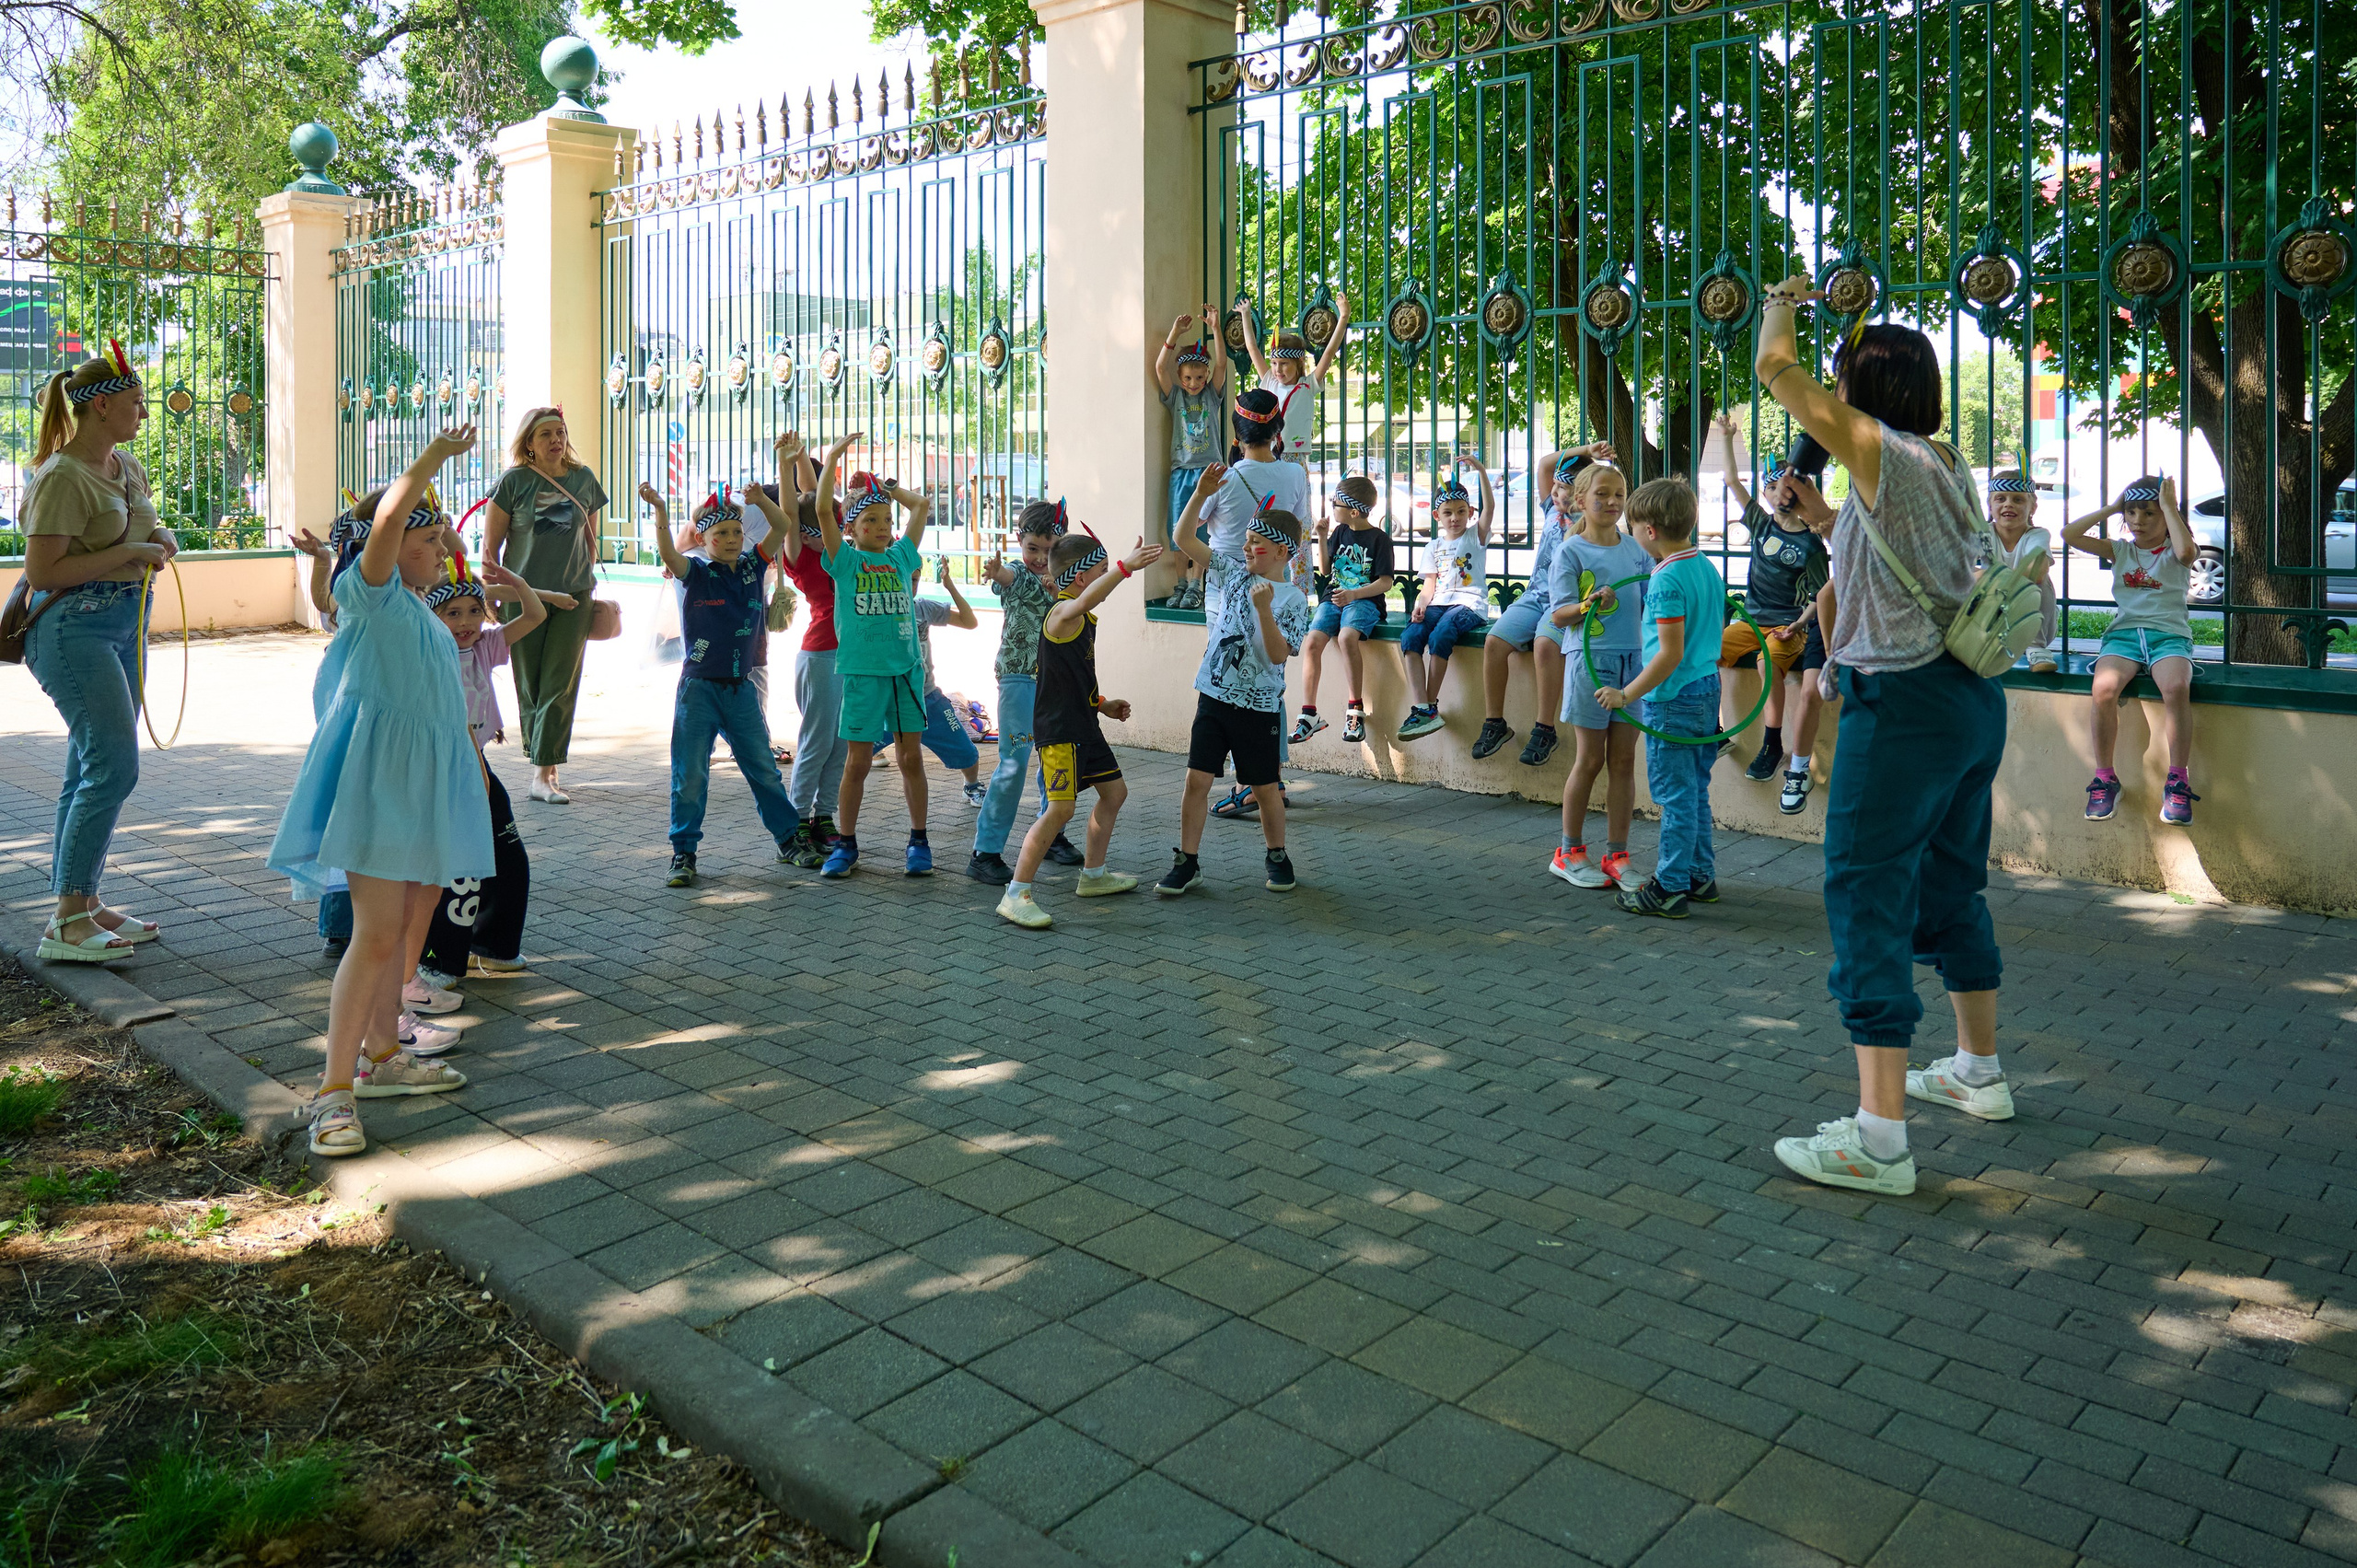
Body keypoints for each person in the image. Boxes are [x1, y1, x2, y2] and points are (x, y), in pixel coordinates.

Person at [1755, 282, 2011, 1199]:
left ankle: (1878, 1137)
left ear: (1861, 389)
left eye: (1840, 379)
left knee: (1866, 895)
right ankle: (1976, 1070)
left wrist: (1779, 303)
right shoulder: (1935, 458)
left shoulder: (1872, 446)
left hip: (1899, 708)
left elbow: (1772, 366)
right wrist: (1815, 520)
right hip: (1968, 701)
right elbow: (1895, 553)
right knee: (1948, 881)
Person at [269, 427, 488, 1157]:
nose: (441, 541)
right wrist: (429, 464)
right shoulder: (375, 596)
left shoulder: (424, 614)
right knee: (374, 934)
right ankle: (333, 1090)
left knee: (406, 925)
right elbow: (390, 522)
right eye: (431, 530)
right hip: (380, 789)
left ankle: (384, 1053)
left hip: (425, 788)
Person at [20, 344, 175, 963]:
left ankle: (81, 901)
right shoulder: (62, 475)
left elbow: (147, 526)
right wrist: (130, 554)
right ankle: (65, 923)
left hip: (123, 623)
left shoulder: (124, 463)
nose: (143, 411)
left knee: (88, 765)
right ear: (102, 405)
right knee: (113, 764)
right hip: (73, 630)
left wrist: (157, 538)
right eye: (135, 402)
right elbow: (43, 570)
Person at [996, 533, 1165, 929]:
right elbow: (1088, 599)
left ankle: (1092, 876)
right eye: (1101, 571)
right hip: (1060, 734)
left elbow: (1071, 676)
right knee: (1060, 810)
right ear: (1080, 577)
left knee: (1115, 792)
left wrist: (1101, 703)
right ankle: (1015, 893)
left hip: (1084, 724)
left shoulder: (1080, 617)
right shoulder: (1060, 615)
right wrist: (1126, 567)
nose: (1107, 577)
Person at [642, 483, 804, 887]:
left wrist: (760, 500)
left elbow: (782, 524)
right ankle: (683, 853)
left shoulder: (752, 566)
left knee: (765, 770)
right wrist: (661, 509)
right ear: (704, 539)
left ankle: (788, 841)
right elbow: (667, 552)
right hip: (698, 690)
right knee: (690, 775)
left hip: (741, 689)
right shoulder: (695, 572)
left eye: (736, 532)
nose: (731, 540)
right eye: (721, 534)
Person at [1161, 468, 1311, 895]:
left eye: (1256, 544)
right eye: (1246, 541)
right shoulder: (1232, 572)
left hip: (1259, 706)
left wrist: (1264, 611)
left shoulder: (1294, 599)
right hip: (1213, 696)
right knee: (1197, 780)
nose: (1246, 548)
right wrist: (1199, 494)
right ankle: (1188, 861)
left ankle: (1277, 854)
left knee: (1265, 788)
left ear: (1282, 553)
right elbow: (1184, 540)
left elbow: (1278, 655)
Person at [1595, 479, 1726, 919]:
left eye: (1633, 525)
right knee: (1695, 790)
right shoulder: (1702, 566)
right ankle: (1698, 876)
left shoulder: (1668, 578)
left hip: (1674, 698)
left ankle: (1669, 886)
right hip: (1706, 690)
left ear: (1649, 530)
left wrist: (1625, 694)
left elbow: (1669, 654)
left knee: (1675, 797)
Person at [414, 551, 543, 986]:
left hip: (477, 763)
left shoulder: (485, 646)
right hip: (446, 768)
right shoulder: (427, 655)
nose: (465, 621)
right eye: (452, 613)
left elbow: (535, 614)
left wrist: (514, 582)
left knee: (508, 858)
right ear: (432, 616)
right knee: (460, 865)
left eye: (474, 610)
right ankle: (438, 960)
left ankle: (494, 947)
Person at [814, 432, 935, 877]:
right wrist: (831, 461)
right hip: (862, 675)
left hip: (905, 673)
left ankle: (919, 842)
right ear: (852, 529)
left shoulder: (902, 556)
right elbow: (824, 509)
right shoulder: (844, 560)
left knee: (910, 760)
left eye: (887, 519)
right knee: (858, 762)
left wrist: (889, 490)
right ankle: (846, 844)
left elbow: (920, 507)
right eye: (873, 520)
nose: (884, 526)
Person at [482, 406, 609, 804]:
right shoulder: (513, 482)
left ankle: (542, 775)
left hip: (573, 598)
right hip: (524, 600)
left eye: (561, 432)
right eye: (546, 435)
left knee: (560, 684)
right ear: (530, 444)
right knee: (531, 685)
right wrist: (491, 598)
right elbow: (490, 550)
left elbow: (588, 538)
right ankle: (544, 763)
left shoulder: (583, 479)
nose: (556, 440)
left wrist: (586, 577)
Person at [1711, 415, 1835, 796]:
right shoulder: (1761, 524)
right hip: (1751, 621)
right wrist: (1729, 439)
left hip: (1787, 626)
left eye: (1789, 488)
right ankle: (1714, 729)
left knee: (1768, 665)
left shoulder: (1813, 546)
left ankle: (1771, 744)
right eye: (1773, 487)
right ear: (1766, 493)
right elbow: (1732, 481)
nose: (1781, 494)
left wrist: (1797, 627)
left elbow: (1821, 597)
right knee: (1704, 650)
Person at [1473, 443, 1614, 766]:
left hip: (1564, 604)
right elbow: (1544, 464)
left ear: (1583, 496)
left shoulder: (1591, 522)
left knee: (1545, 645)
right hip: (1534, 596)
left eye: (1566, 489)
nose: (1558, 493)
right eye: (1557, 486)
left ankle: (1545, 728)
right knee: (1494, 641)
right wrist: (1588, 448)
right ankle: (1495, 722)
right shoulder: (1551, 509)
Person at [2066, 475, 2197, 824]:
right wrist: (2111, 507)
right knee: (2103, 689)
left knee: (2175, 687)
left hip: (2168, 637)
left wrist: (2170, 507)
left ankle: (2177, 781)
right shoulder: (2120, 549)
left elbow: (2187, 553)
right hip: (2123, 637)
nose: (2138, 521)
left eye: (2149, 513)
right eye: (2132, 513)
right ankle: (2105, 778)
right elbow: (2069, 536)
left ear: (2166, 515)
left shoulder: (2176, 549)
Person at [1547, 462, 1649, 891]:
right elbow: (1559, 613)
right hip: (1590, 663)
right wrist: (1588, 604)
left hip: (1633, 663)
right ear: (1581, 500)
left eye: (1619, 495)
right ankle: (1568, 852)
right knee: (1589, 759)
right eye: (1602, 494)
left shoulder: (1637, 550)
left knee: (1623, 761)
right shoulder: (1570, 552)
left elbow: (1652, 601)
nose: (1611, 502)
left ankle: (1617, 855)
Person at [970, 502, 1082, 884]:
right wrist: (995, 571)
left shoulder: (1068, 582)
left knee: (1055, 760)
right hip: (1018, 678)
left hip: (1055, 683)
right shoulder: (1018, 571)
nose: (1038, 557)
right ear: (1020, 542)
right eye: (1032, 548)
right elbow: (1007, 577)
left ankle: (1051, 835)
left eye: (1048, 550)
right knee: (1014, 763)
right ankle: (985, 853)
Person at [769, 433, 852, 867]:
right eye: (817, 529)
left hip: (852, 659)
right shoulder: (801, 558)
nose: (826, 533)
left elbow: (818, 497)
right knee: (817, 742)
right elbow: (790, 509)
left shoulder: (843, 552)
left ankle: (824, 818)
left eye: (831, 525)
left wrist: (805, 457)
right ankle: (797, 820)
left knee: (842, 744)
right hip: (820, 658)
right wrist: (786, 465)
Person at [1396, 457, 1495, 740]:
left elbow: (1490, 508)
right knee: (1412, 635)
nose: (1455, 517)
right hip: (1438, 603)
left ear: (1470, 512)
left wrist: (1482, 473)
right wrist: (1420, 604)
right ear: (1437, 516)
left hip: (1469, 604)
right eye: (1448, 512)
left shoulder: (1475, 536)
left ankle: (1428, 707)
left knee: (1441, 635)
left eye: (1461, 511)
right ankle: (1422, 707)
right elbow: (1429, 585)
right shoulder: (1433, 546)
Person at [1291, 474, 1395, 746]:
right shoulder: (1339, 532)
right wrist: (1322, 537)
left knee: (1348, 638)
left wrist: (1354, 594)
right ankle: (1309, 713)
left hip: (1364, 601)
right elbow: (1325, 571)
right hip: (1333, 598)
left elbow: (1386, 582)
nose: (1331, 508)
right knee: (1312, 641)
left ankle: (1355, 710)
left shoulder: (1379, 539)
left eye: (1334, 503)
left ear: (1353, 510)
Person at [894, 557, 987, 806]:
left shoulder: (922, 608)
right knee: (849, 755)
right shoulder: (874, 611)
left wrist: (950, 586)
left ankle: (973, 786)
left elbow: (970, 622)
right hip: (886, 700)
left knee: (967, 752)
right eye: (900, 578)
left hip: (928, 699)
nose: (907, 585)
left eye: (913, 579)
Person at [1238, 293, 1349, 461]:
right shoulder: (1269, 381)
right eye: (1274, 363)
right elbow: (1252, 348)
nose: (1277, 369)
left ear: (1299, 362)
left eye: (1284, 363)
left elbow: (1329, 352)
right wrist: (1245, 314)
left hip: (1296, 455)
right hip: (1268, 454)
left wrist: (1343, 317)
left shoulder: (1308, 385)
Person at [1154, 307, 1227, 546]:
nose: (1193, 383)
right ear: (1180, 376)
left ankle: (1196, 581)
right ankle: (1181, 581)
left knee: (1204, 530)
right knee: (1178, 527)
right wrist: (1174, 333)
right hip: (1182, 469)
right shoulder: (1175, 397)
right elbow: (1159, 368)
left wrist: (1215, 328)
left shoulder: (1211, 396)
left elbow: (1222, 365)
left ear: (1206, 375)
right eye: (1187, 378)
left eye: (1198, 378)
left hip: (1209, 469)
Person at [1987, 470, 2058, 675]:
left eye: (2018, 499)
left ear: (2032, 507)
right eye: (2001, 498)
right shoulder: (1982, 535)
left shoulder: (2037, 535)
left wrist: (1994, 581)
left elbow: (2036, 570)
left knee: (2038, 579)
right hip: (1992, 617)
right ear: (1990, 507)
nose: (2008, 504)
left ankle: (2036, 648)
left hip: (2032, 625)